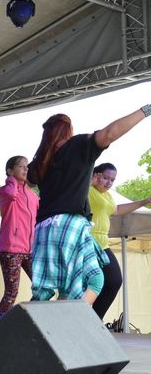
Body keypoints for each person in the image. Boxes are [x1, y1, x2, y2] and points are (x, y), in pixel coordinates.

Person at [27, 106, 151, 304]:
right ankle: (76, 319)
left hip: (44, 228)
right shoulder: (77, 145)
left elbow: (30, 181)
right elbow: (109, 133)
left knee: (52, 289)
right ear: (68, 130)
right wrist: (146, 110)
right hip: (69, 224)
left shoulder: (41, 161)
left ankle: (37, 322)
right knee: (95, 280)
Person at [88, 163, 151, 319]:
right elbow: (74, 192)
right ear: (96, 175)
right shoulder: (87, 189)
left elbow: (116, 210)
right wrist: (89, 181)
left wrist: (143, 201)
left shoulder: (107, 196)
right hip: (88, 242)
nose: (109, 183)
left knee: (114, 281)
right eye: (105, 178)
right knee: (93, 282)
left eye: (112, 180)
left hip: (103, 244)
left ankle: (94, 319)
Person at [0, 155, 39, 318]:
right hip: (10, 248)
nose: (26, 169)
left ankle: (26, 319)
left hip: (30, 249)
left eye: (27, 166)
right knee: (12, 292)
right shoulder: (5, 191)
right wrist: (11, 180)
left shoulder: (32, 196)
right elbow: (11, 194)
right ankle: (2, 328)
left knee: (42, 287)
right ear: (10, 170)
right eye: (21, 166)